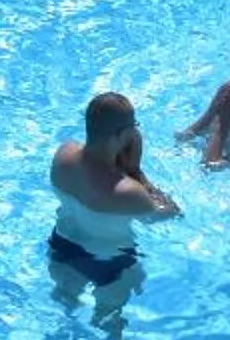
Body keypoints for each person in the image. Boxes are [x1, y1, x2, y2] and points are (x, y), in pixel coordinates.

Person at [46, 91, 180, 307]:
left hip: (62, 246)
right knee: (109, 327)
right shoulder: (127, 191)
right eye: (134, 126)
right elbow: (171, 213)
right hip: (110, 262)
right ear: (121, 134)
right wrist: (137, 172)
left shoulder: (63, 154)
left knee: (64, 305)